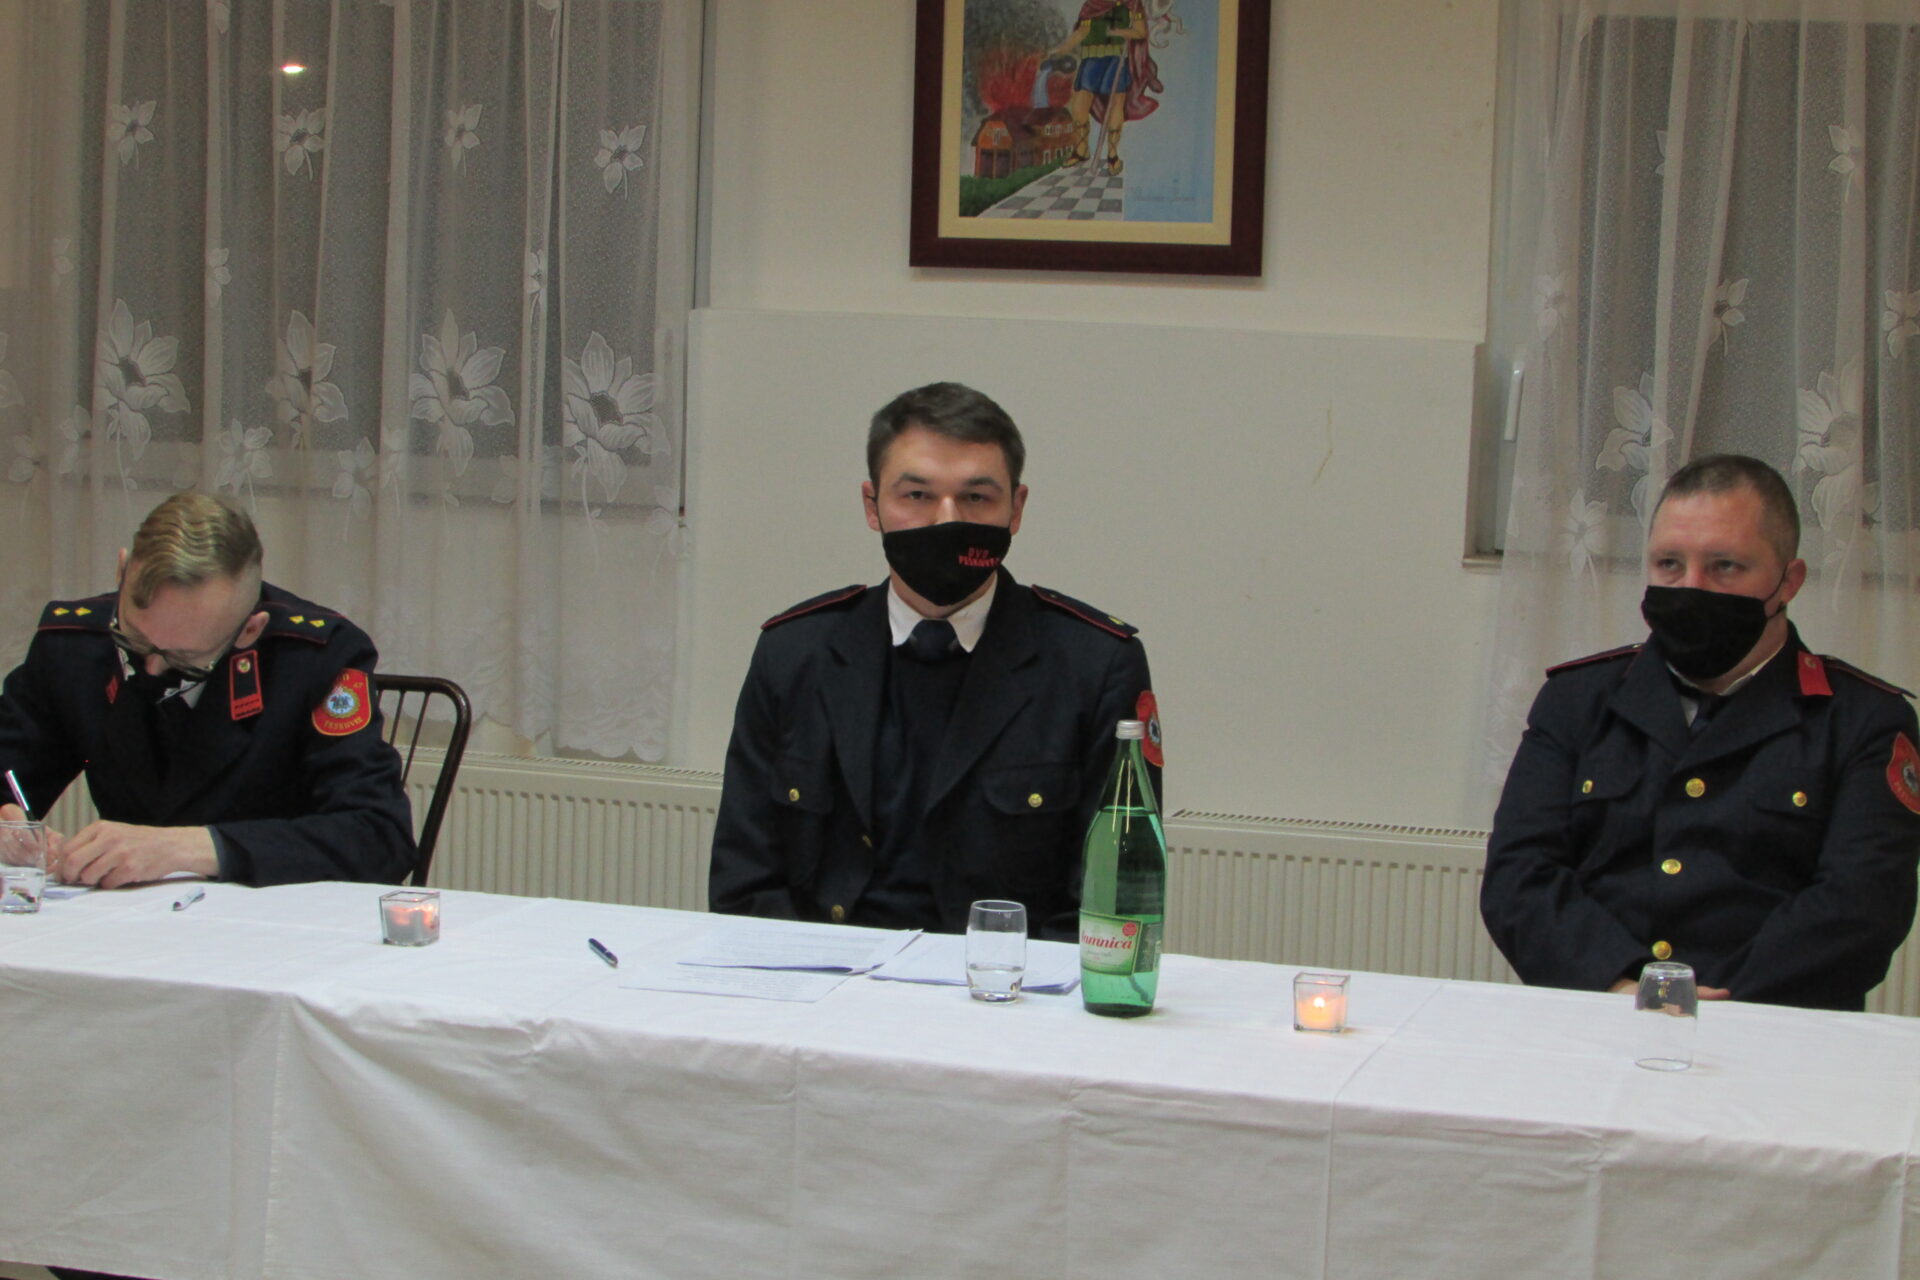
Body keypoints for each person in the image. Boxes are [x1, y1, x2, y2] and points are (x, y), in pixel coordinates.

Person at [708, 382, 1159, 941]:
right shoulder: (794, 654)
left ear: (1016, 509)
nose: (947, 521)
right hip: (824, 974)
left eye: (976, 498)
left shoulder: (1096, 666)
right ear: (872, 506)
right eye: (917, 495)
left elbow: (1110, 906)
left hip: (1006, 982)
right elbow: (743, 885)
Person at [1482, 455, 1920, 1011]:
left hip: (1777, 1028)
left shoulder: (1864, 719)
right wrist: (1622, 986)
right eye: (1669, 563)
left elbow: (1863, 905)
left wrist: (1708, 1005)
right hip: (1602, 1013)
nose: (1691, 587)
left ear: (1789, 581)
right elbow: (1520, 875)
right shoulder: (1578, 701)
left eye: (1725, 566)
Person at [0, 491, 414, 890]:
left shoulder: (313, 661)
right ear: (121, 572)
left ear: (249, 630)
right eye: (133, 641)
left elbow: (379, 837)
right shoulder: (73, 647)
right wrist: (8, 826)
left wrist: (192, 848)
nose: (152, 669)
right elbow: (10, 770)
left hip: (268, 916)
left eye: (184, 659)